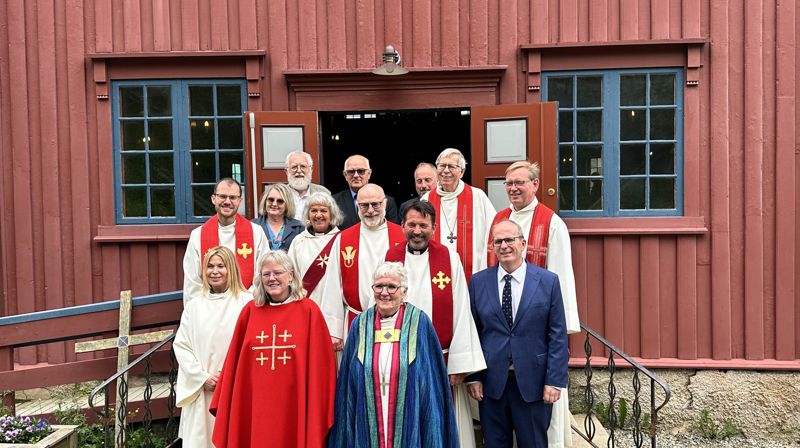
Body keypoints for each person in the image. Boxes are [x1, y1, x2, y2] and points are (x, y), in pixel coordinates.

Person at [487, 161, 581, 448]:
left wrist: (562, 324)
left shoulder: (551, 222)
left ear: (535, 185)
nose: (513, 188)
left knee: (538, 431)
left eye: (520, 182)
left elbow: (560, 276)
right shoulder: (500, 219)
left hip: (535, 334)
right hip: (501, 341)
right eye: (509, 183)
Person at [384, 200, 486, 448]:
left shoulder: (449, 258)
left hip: (441, 357)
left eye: (423, 225)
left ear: (434, 228)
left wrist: (459, 364)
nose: (417, 231)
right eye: (411, 225)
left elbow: (462, 309)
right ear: (402, 226)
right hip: (399, 358)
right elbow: (381, 306)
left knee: (438, 422)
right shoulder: (390, 258)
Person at [210, 251, 336, 448]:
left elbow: (322, 370)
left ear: (291, 276)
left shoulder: (309, 311)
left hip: (295, 404)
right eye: (266, 274)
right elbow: (235, 363)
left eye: (277, 273)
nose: (272, 278)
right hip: (255, 403)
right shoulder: (250, 311)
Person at [328, 262, 459, 448]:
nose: (384, 292)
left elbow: (431, 382)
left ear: (404, 292)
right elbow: (348, 381)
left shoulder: (419, 322)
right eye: (379, 286)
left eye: (391, 286)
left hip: (410, 416)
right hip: (367, 415)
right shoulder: (360, 324)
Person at [468, 220, 569, 448]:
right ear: (493, 247)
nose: (504, 246)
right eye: (498, 241)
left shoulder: (548, 281)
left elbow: (557, 335)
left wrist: (554, 381)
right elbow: (472, 332)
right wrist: (473, 377)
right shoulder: (478, 282)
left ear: (523, 244)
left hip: (534, 385)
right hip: (492, 385)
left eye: (509, 240)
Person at [174, 246, 253, 447]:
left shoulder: (247, 303)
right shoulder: (194, 305)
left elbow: (252, 344)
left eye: (221, 266)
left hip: (235, 386)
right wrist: (202, 378)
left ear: (231, 268)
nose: (214, 271)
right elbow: (182, 345)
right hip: (203, 388)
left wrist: (228, 376)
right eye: (210, 266)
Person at [319, 184, 405, 350]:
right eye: (364, 205)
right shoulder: (343, 239)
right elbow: (332, 285)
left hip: (397, 320)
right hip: (355, 319)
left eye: (375, 204)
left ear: (385, 203)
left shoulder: (401, 236)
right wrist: (333, 330)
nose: (370, 210)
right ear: (357, 206)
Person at [182, 178, 269, 304]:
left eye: (233, 197)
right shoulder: (198, 235)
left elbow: (262, 273)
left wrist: (246, 301)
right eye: (222, 196)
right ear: (213, 199)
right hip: (209, 306)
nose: (227, 202)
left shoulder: (256, 232)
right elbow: (193, 282)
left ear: (240, 201)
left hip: (246, 305)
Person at [422, 148, 496, 280]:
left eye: (451, 166)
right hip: (435, 272)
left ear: (462, 172)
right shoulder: (427, 200)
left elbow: (494, 231)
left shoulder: (477, 197)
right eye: (442, 166)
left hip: (473, 271)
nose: (445, 171)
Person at [287, 192, 343, 305]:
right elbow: (290, 275)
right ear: (308, 215)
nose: (318, 215)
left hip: (335, 304)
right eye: (313, 211)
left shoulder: (342, 239)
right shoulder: (299, 241)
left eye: (323, 211)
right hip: (305, 304)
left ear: (332, 214)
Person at [332, 154, 400, 229]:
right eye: (351, 171)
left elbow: (392, 230)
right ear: (345, 175)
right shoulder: (334, 201)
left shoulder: (387, 201)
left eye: (361, 171)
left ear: (369, 173)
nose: (356, 175)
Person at [252, 183, 305, 251]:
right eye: (271, 200)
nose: (274, 204)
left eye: (280, 201)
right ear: (265, 202)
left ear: (287, 204)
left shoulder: (299, 228)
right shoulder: (252, 226)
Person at [285, 150, 331, 220]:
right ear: (287, 171)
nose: (299, 171)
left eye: (303, 166)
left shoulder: (324, 192)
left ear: (311, 169)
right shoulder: (280, 194)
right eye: (294, 167)